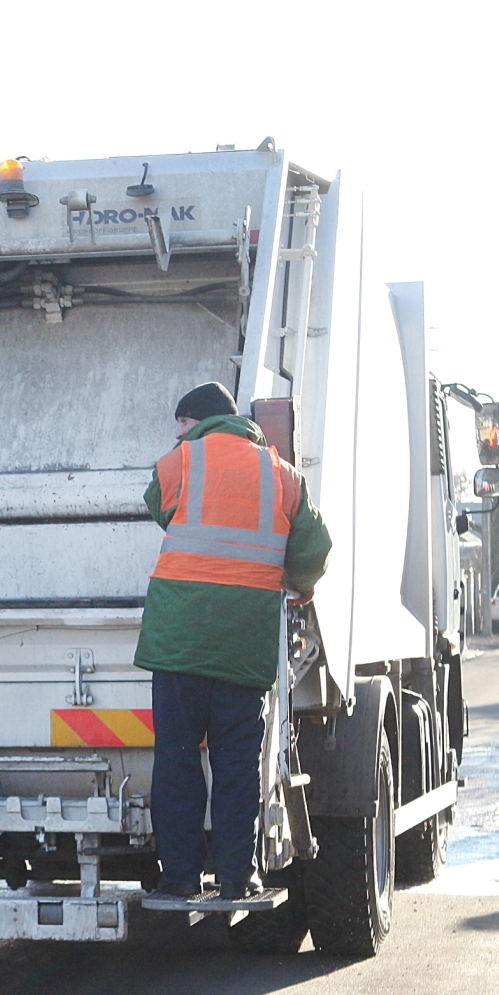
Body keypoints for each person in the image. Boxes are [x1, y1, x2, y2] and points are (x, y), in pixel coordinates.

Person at [134, 382, 331, 900]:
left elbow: (157, 504)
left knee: (177, 759)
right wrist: (299, 587)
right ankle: (236, 877)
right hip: (243, 645)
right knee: (237, 764)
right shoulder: (284, 476)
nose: (179, 436)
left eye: (182, 426)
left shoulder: (183, 461)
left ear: (197, 422)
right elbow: (314, 549)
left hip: (179, 643)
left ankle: (178, 877)